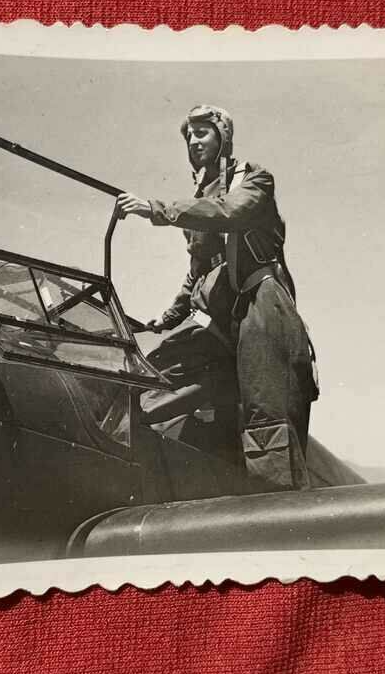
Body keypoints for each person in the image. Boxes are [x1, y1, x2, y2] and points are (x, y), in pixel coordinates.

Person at [116, 105, 318, 491]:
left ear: (223, 137)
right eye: (188, 136)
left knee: (266, 418)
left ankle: (280, 511)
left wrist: (155, 209)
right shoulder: (200, 199)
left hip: (260, 307)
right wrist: (166, 320)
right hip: (217, 320)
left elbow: (229, 213)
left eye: (202, 133)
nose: (193, 142)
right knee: (148, 374)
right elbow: (197, 273)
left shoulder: (255, 180)